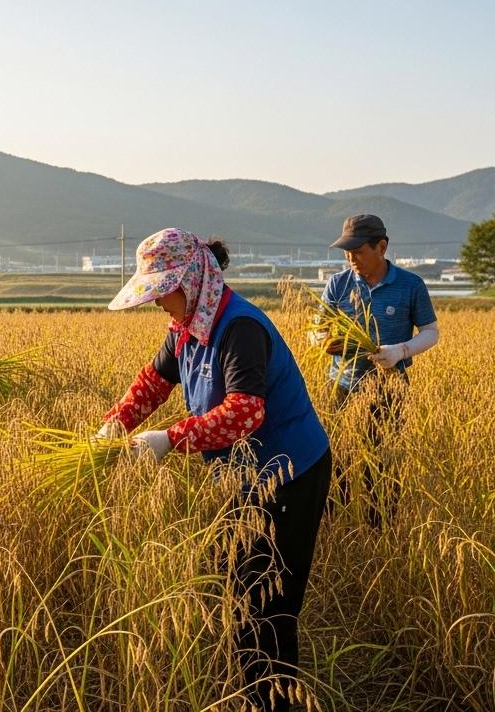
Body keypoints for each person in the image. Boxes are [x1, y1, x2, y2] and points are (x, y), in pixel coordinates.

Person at [98, 228, 331, 712]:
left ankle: (272, 700)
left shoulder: (239, 327)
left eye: (164, 292)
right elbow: (154, 381)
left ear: (192, 279)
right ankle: (251, 688)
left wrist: (168, 440)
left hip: (289, 474)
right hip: (241, 475)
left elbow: (246, 412)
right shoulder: (186, 328)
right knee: (236, 582)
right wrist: (117, 423)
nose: (159, 303)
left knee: (271, 604)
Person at [318, 214, 439, 528]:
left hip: (391, 387)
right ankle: (338, 530)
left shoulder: (411, 285)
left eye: (358, 251)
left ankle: (381, 530)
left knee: (383, 467)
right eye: (347, 252)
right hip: (343, 387)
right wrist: (327, 341)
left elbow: (430, 332)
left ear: (381, 247)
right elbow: (318, 331)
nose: (351, 258)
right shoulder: (338, 283)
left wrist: (400, 351)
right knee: (339, 464)